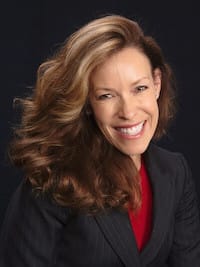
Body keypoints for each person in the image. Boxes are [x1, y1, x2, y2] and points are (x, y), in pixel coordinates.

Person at [0, 14, 200, 267]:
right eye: (106, 96)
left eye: (140, 88)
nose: (128, 111)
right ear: (86, 103)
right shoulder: (54, 180)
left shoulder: (175, 172)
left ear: (157, 83)